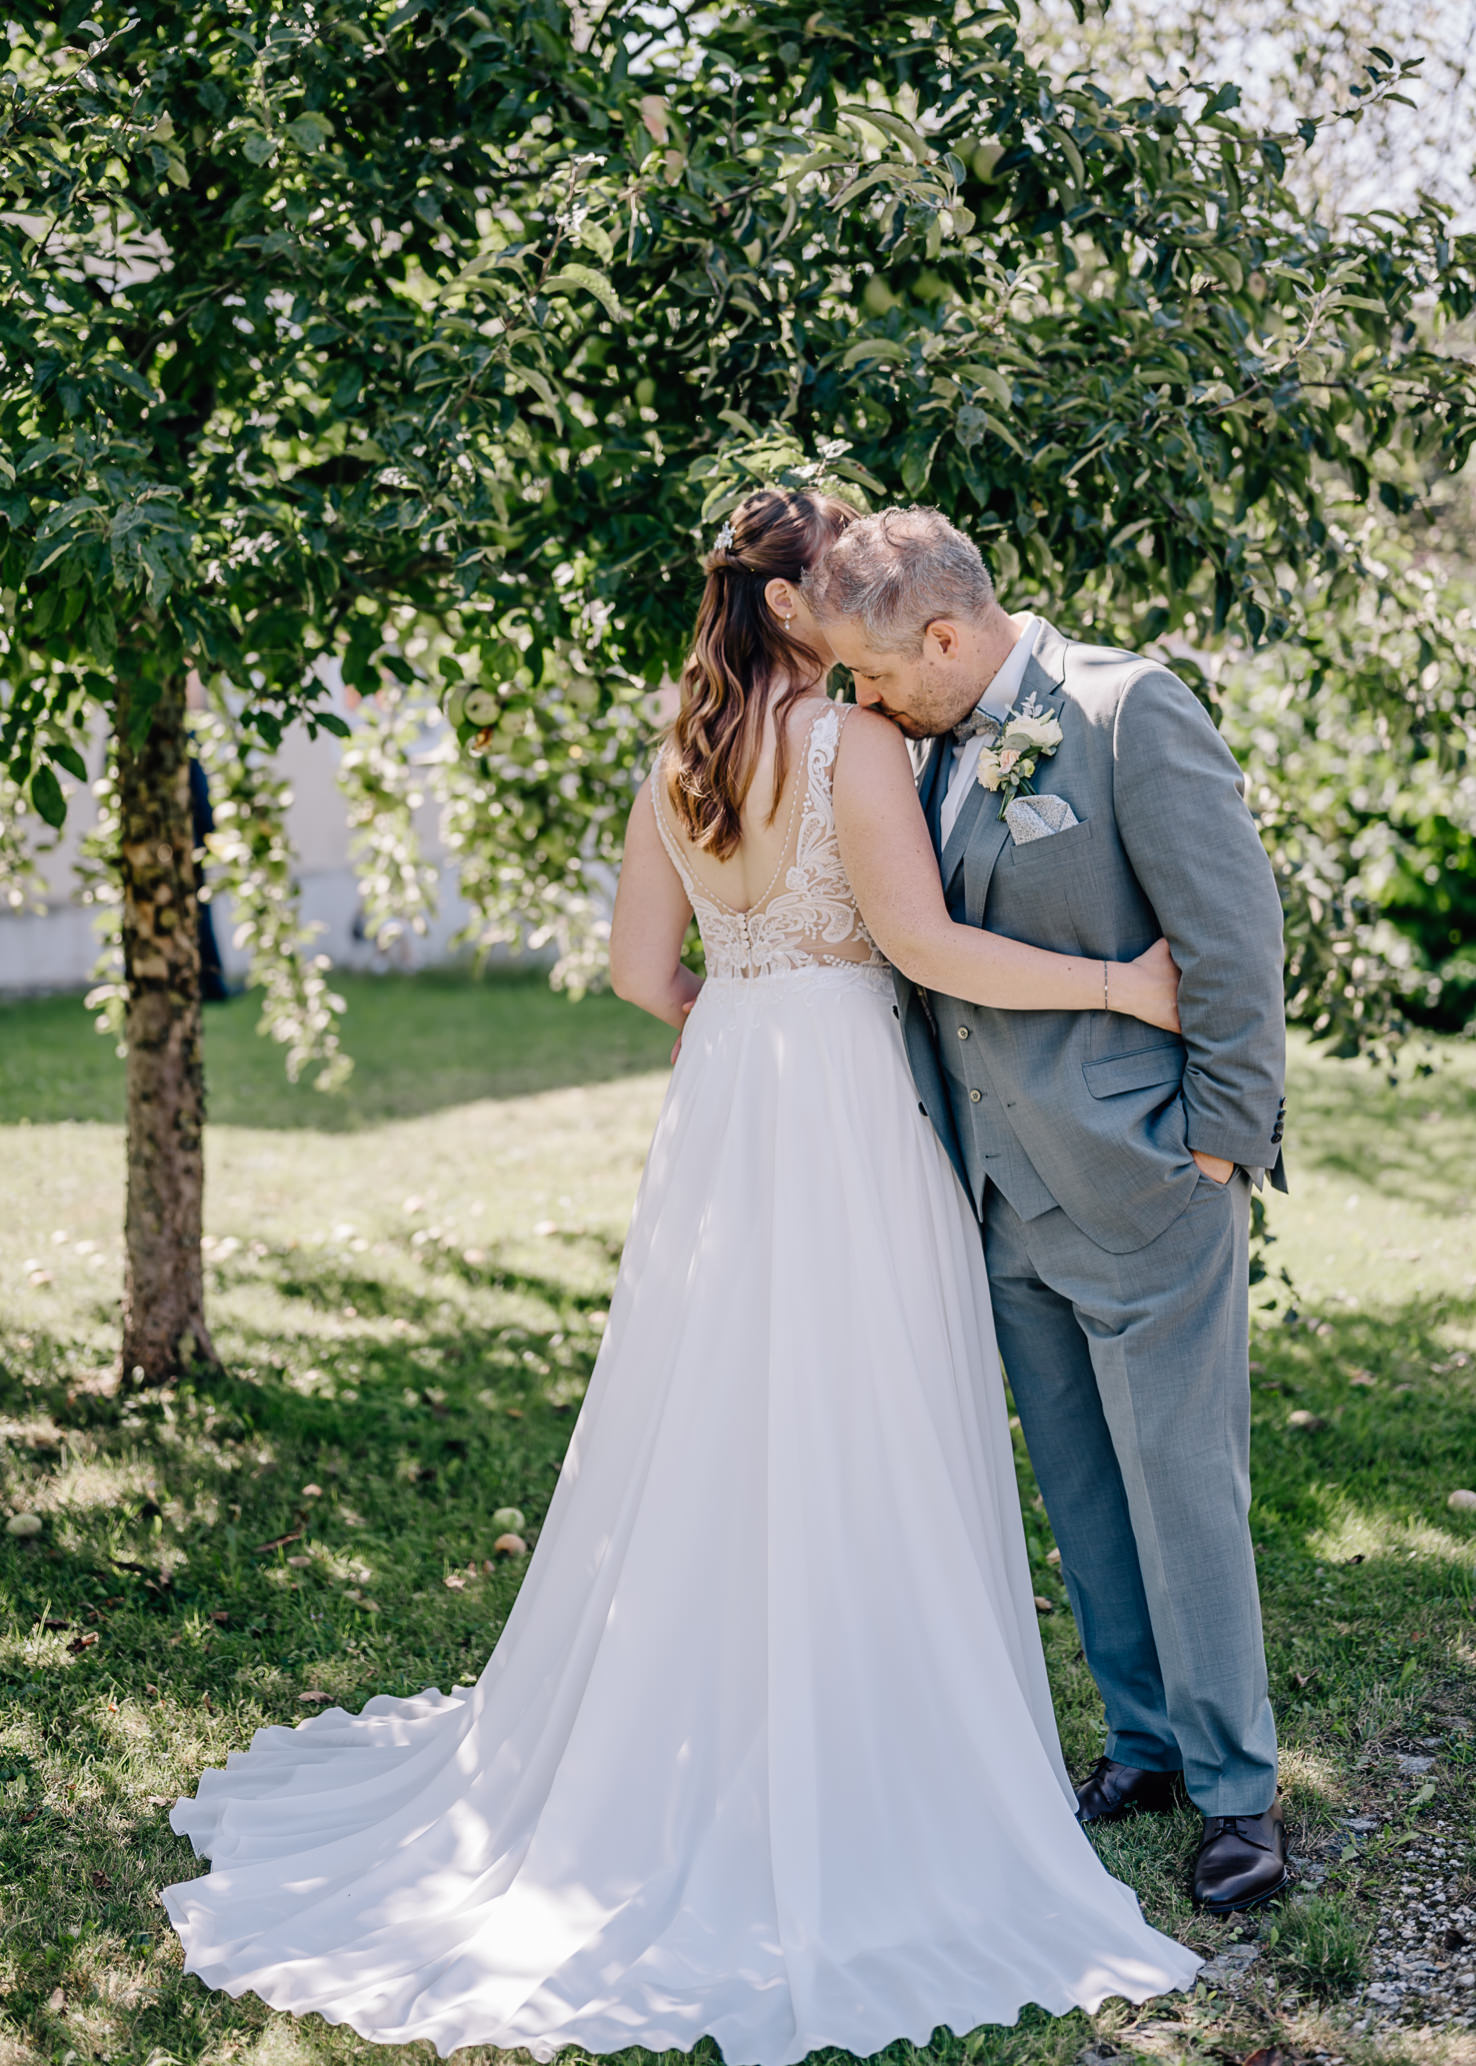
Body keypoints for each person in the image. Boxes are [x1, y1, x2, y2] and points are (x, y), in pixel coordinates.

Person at [161, 488, 1201, 2064]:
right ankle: (873, 1739)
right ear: (797, 609)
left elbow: (648, 971)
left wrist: (752, 1021)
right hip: (850, 1099)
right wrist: (1119, 979)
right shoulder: (853, 744)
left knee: (711, 1420)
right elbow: (924, 948)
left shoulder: (681, 736)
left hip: (730, 1099)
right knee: (868, 1407)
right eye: (838, 571)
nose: (861, 591)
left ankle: (712, 1707)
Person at [806, 505, 1289, 1917]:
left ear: (945, 636)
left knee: (1185, 1489)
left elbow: (1235, 943)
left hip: (1147, 1180)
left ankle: (1235, 1788)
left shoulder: (1130, 712)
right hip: (1001, 1196)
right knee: (1081, 1490)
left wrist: (1215, 1147)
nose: (863, 702)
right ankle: (1139, 1744)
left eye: (879, 676)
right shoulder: (921, 748)